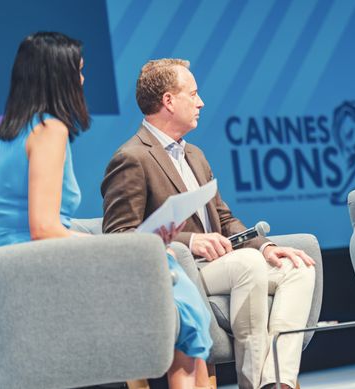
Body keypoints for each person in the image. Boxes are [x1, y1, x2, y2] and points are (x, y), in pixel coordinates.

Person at [0, 32, 211, 389]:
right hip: (39, 273)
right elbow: (43, 228)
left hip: (11, 271)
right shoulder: (50, 128)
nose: (82, 80)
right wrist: (122, 249)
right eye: (78, 71)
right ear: (57, 76)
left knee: (167, 271)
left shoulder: (5, 134)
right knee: (175, 293)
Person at [101, 58, 316, 389]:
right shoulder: (132, 157)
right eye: (193, 93)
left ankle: (277, 381)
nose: (200, 102)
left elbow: (225, 219)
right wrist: (187, 241)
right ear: (169, 101)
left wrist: (268, 247)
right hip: (182, 269)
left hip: (220, 264)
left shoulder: (196, 155)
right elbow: (118, 236)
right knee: (246, 264)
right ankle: (252, 383)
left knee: (299, 267)